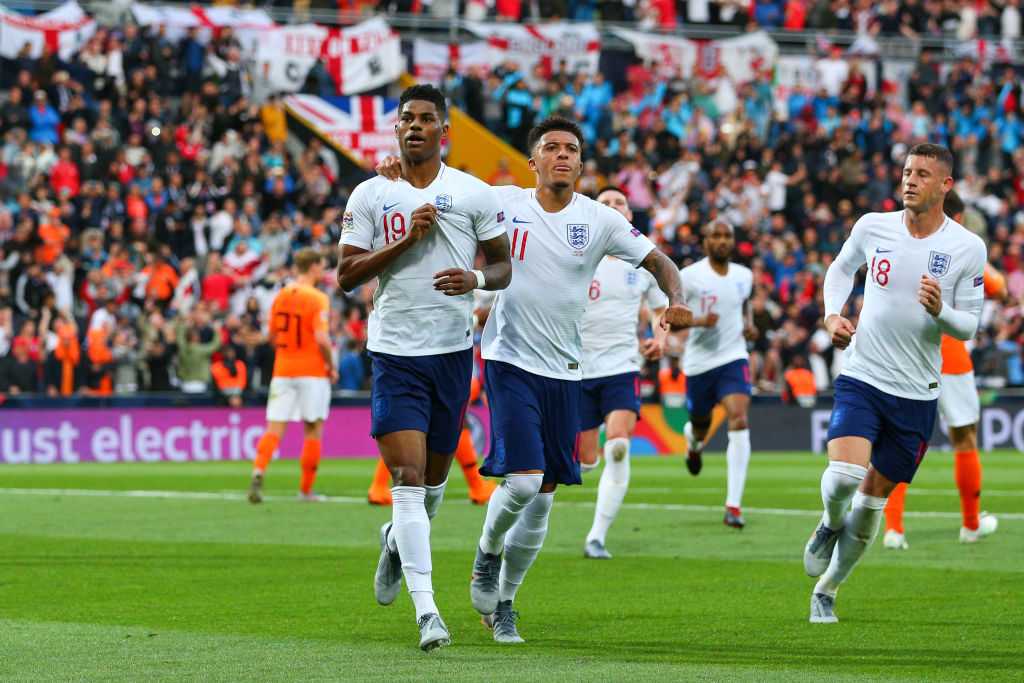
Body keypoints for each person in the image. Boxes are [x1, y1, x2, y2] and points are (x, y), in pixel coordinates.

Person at [468, 116, 692, 644]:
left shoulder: (600, 220)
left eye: (572, 148)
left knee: (544, 497)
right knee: (523, 480)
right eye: (552, 148)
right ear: (534, 161)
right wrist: (394, 176)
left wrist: (676, 301)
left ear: (581, 162)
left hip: (567, 369)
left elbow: (660, 262)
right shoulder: (502, 203)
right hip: (509, 359)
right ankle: (486, 554)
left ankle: (506, 602)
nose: (562, 155)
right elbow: (441, 192)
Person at [336, 84, 512, 652]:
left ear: (445, 131)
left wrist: (477, 280)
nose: (414, 126)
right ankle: (428, 613)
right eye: (406, 118)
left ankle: (394, 543)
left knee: (434, 487)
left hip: (452, 353)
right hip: (394, 354)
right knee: (407, 481)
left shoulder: (474, 193)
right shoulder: (370, 193)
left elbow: (503, 265)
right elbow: (346, 274)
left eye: (426, 118)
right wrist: (406, 242)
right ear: (397, 129)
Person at [803, 144, 987, 624]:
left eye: (922, 174)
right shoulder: (872, 226)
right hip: (863, 374)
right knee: (843, 477)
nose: (910, 180)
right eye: (906, 171)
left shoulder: (966, 248)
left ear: (945, 185)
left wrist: (939, 312)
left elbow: (970, 326)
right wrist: (831, 315)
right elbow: (840, 269)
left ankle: (828, 587)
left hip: (917, 393)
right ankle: (826, 522)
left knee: (869, 508)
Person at [883, 190, 1004, 549]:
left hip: (909, 356)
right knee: (964, 438)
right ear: (959, 219)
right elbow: (996, 286)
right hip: (950, 356)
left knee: (902, 442)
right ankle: (970, 525)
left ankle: (893, 529)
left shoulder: (906, 244)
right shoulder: (964, 249)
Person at [578, 186, 669, 560]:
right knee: (586, 461)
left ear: (629, 215)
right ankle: (587, 460)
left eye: (620, 203)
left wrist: (660, 340)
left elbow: (662, 310)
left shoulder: (643, 262)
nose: (613, 207)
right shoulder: (579, 254)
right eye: (606, 203)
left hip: (622, 366)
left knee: (617, 445)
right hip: (577, 367)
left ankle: (596, 537)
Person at [677, 220, 757, 528]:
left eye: (727, 236)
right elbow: (672, 318)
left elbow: (745, 306)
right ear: (705, 241)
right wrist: (698, 321)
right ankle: (693, 445)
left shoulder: (744, 276)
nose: (722, 241)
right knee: (700, 428)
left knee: (739, 417)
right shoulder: (689, 277)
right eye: (716, 236)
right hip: (699, 363)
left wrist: (750, 326)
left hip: (733, 357)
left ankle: (733, 505)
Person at [247, 248, 336, 503]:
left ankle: (258, 471)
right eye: (321, 266)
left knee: (274, 427)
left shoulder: (280, 296)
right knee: (313, 429)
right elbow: (321, 338)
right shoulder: (318, 298)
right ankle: (306, 490)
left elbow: (273, 336)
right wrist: (331, 366)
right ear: (314, 267)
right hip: (313, 371)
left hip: (283, 369)